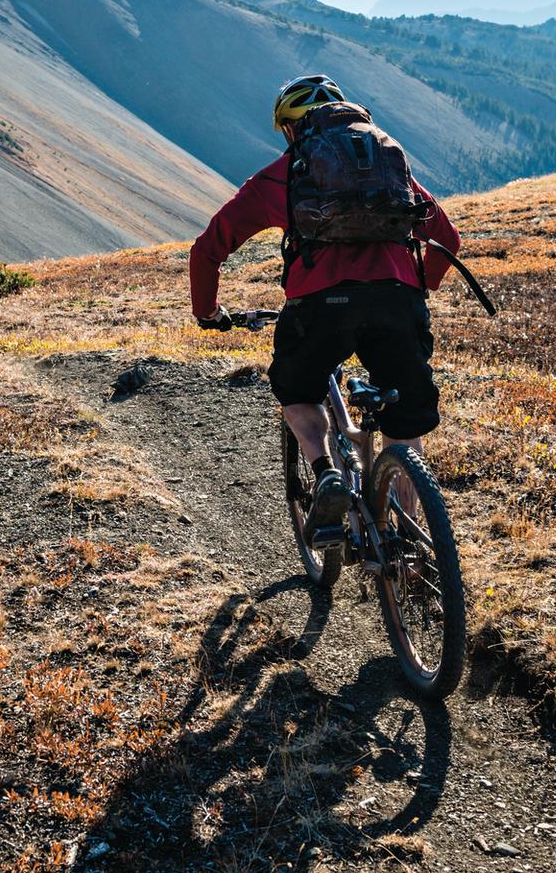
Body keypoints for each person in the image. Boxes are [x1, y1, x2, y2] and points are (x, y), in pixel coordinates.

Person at [190, 74, 460, 531]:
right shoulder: (388, 165)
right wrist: (416, 291)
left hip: (319, 306)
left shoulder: (282, 174)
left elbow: (208, 249)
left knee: (298, 391)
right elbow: (447, 239)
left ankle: (325, 472)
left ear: (291, 129)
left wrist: (208, 312)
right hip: (398, 303)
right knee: (405, 418)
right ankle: (410, 545)